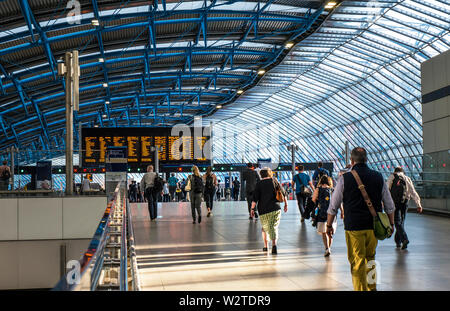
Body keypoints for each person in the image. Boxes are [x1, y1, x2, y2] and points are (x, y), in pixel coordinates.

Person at [326, 147, 395, 291]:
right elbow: (389, 205)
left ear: (351, 161)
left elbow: (334, 205)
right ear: (367, 159)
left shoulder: (345, 178)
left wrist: (329, 225)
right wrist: (392, 223)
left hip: (354, 227)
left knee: (357, 261)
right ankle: (372, 287)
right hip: (373, 226)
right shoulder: (378, 176)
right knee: (371, 259)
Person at [251, 167, 288, 254]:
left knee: (265, 228)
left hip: (263, 210)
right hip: (275, 208)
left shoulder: (259, 184)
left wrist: (252, 209)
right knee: (274, 227)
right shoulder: (275, 181)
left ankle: (265, 246)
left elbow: (255, 199)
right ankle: (274, 245)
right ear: (270, 173)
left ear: (261, 175)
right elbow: (283, 194)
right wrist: (286, 204)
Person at [387, 167, 423, 249]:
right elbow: (413, 191)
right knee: (401, 222)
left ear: (395, 171)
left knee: (397, 222)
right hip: (405, 202)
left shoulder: (392, 177)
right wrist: (418, 204)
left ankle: (404, 239)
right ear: (403, 171)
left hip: (394, 202)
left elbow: (386, 189)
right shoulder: (407, 178)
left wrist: (385, 202)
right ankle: (398, 242)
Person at [312, 176, 343, 257]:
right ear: (329, 182)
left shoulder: (318, 189)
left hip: (321, 213)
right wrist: (342, 211)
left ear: (321, 182)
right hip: (331, 214)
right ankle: (329, 247)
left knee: (324, 232)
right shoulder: (332, 190)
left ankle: (327, 248)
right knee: (330, 232)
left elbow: (313, 200)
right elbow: (338, 202)